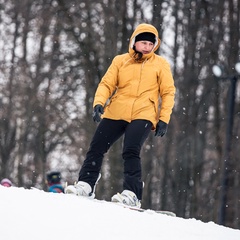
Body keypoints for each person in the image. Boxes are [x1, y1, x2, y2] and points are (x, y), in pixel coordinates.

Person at [65, 23, 175, 207]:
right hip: (117, 110)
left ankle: (132, 194)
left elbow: (168, 92)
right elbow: (107, 83)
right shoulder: (120, 61)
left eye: (150, 44)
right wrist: (99, 103)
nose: (147, 47)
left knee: (130, 150)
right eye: (143, 43)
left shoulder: (160, 64)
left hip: (144, 112)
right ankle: (86, 184)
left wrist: (164, 118)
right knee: (96, 146)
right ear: (134, 42)